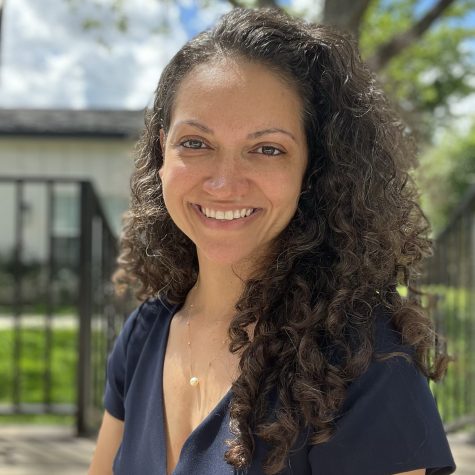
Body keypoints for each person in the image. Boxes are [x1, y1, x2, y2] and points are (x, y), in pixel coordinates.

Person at [88, 7, 456, 475]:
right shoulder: (143, 336)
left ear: (313, 170)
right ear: (163, 151)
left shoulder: (363, 360)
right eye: (196, 143)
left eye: (267, 149)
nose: (223, 184)